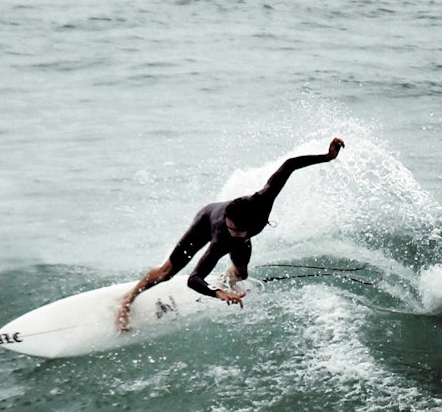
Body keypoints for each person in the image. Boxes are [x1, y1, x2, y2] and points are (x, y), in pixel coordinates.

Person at [116, 138, 345, 331]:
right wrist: (217, 294)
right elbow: (193, 279)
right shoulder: (221, 237)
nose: (233, 233)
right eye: (231, 228)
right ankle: (129, 298)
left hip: (240, 234)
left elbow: (290, 165)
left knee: (242, 275)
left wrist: (327, 157)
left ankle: (228, 278)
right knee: (166, 272)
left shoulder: (264, 199)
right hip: (205, 222)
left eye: (237, 230)